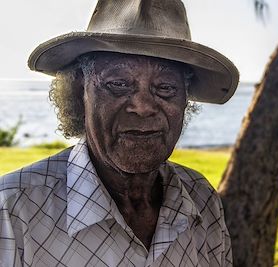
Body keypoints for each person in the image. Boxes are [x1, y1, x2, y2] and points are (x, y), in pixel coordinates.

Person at [0, 0, 239, 266]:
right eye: (119, 84)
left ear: (184, 100)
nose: (143, 107)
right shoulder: (14, 209)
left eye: (165, 87)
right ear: (81, 93)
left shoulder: (201, 198)